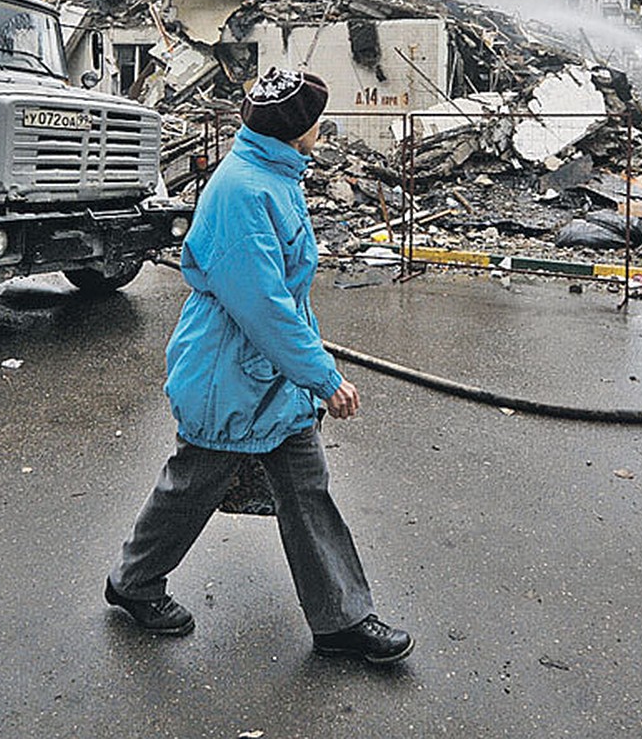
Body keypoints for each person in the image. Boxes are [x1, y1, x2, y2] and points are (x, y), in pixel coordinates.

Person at [104, 67, 414, 665]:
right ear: (297, 129)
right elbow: (263, 306)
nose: (324, 128)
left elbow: (282, 298)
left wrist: (304, 368)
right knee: (192, 487)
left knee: (306, 491)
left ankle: (342, 619)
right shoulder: (244, 190)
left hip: (268, 376)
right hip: (230, 375)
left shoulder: (274, 173)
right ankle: (133, 583)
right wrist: (323, 376)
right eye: (317, 119)